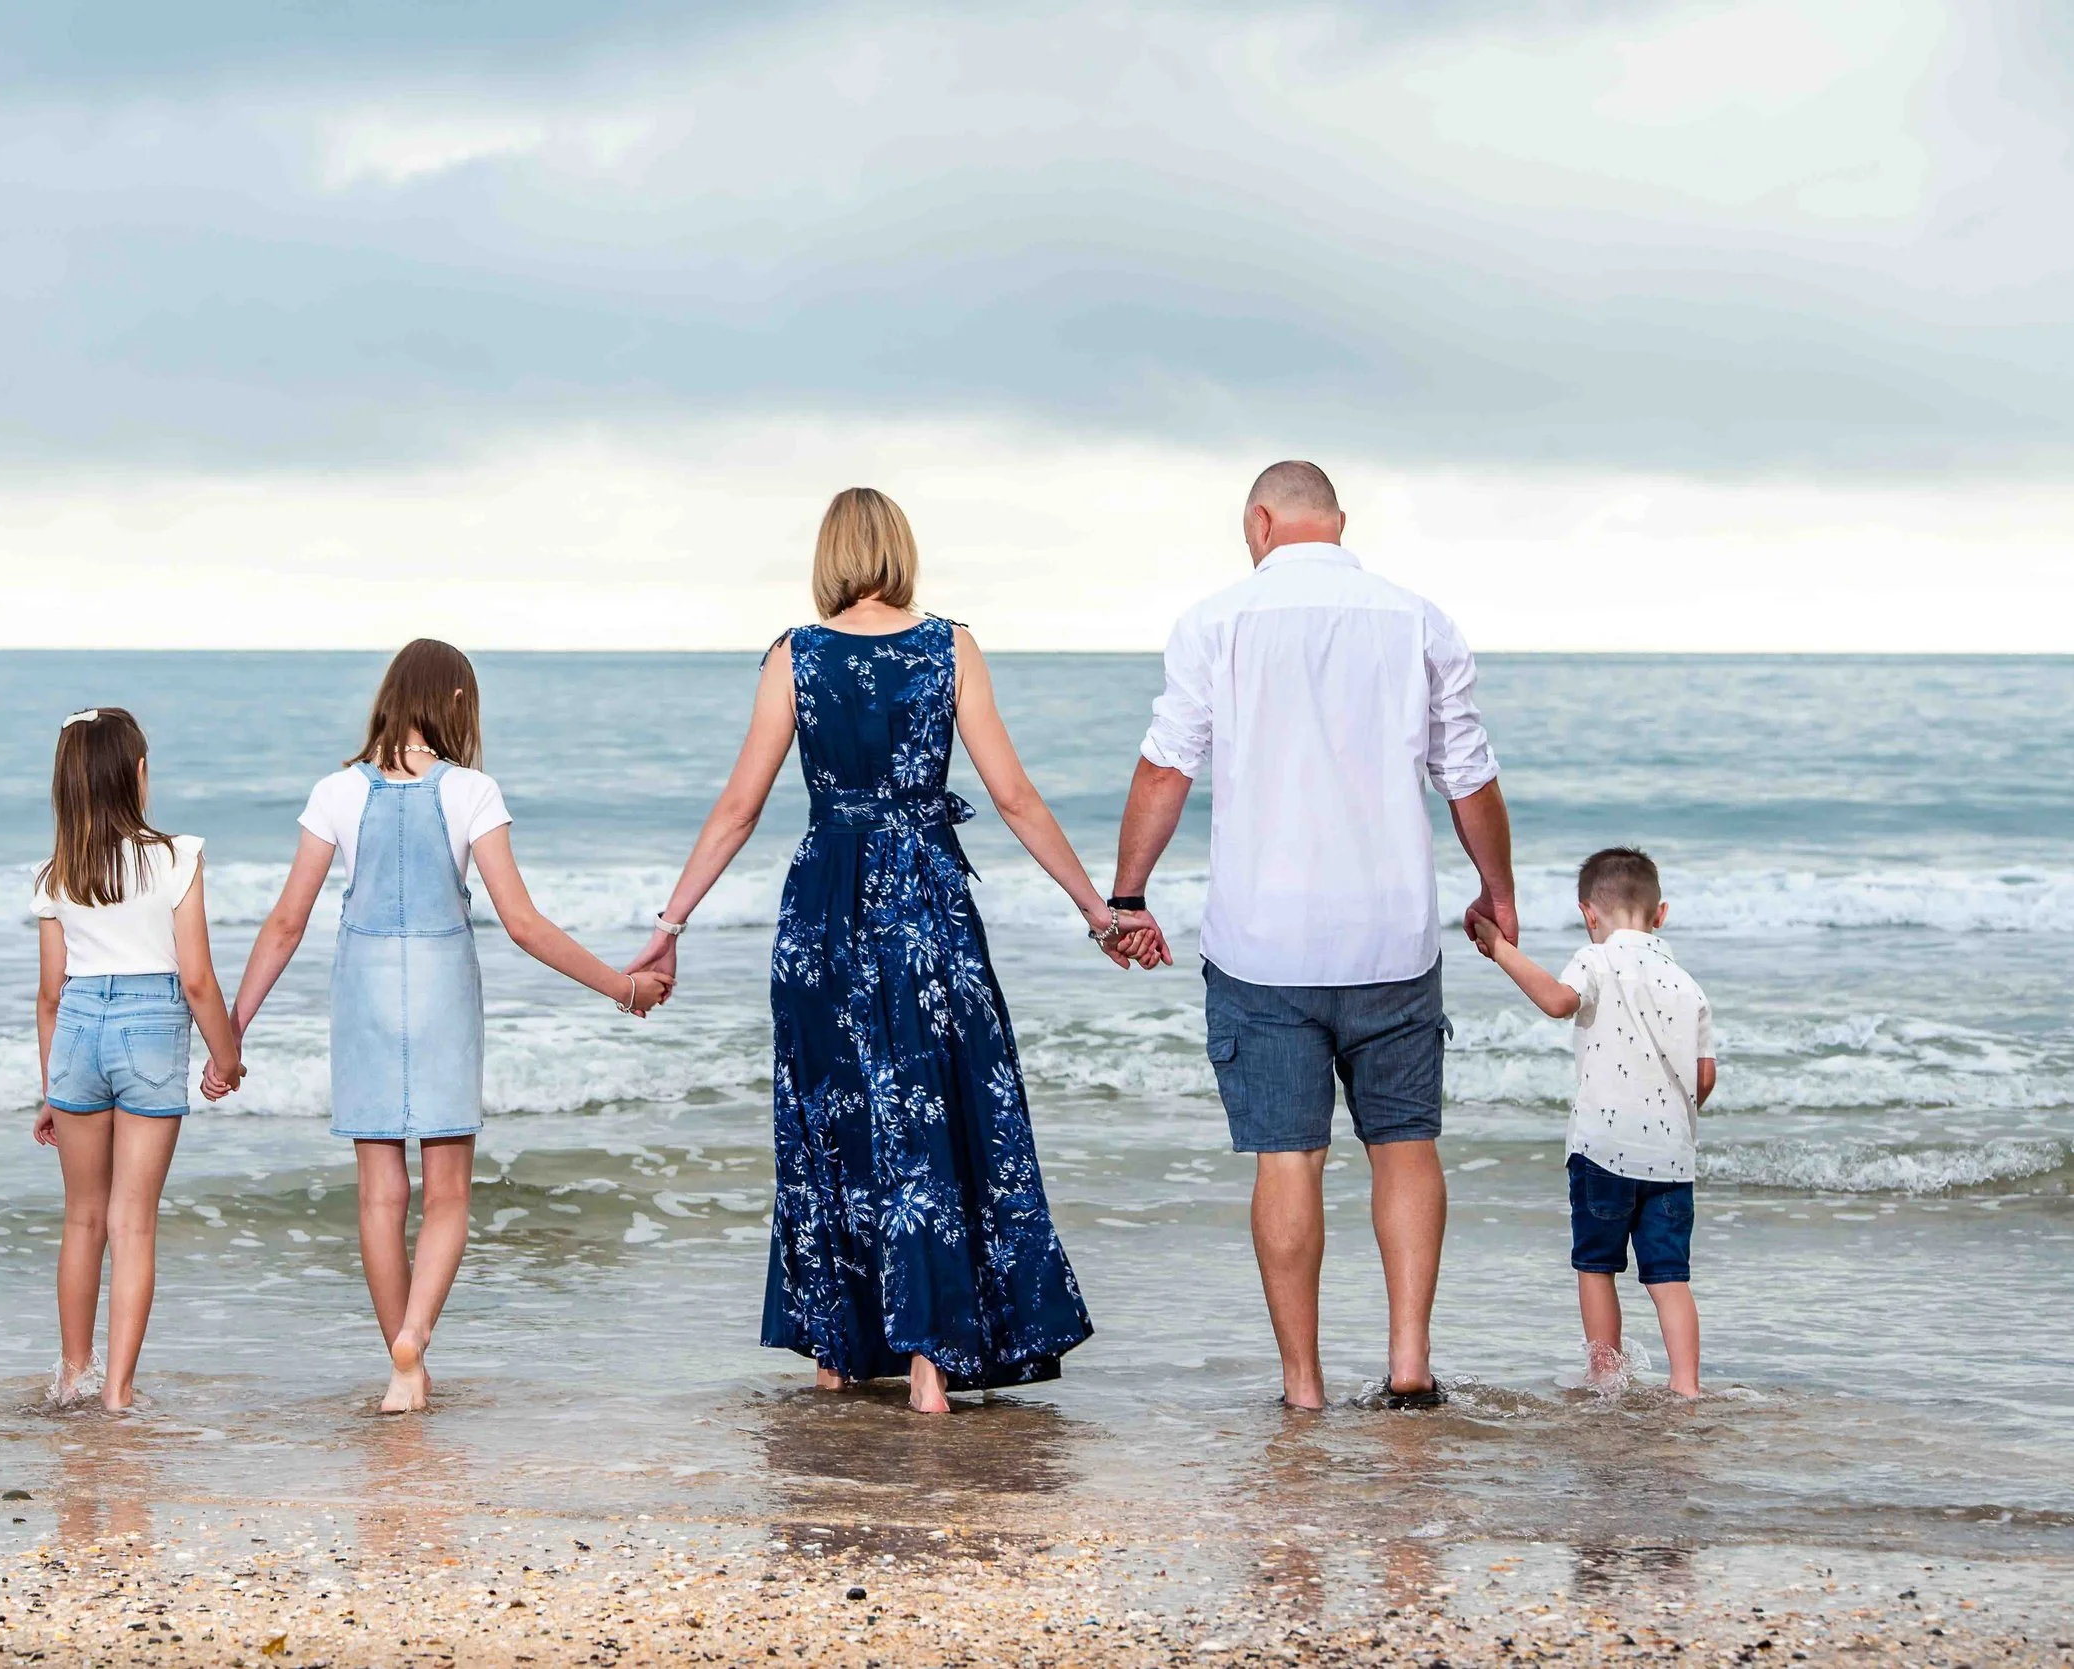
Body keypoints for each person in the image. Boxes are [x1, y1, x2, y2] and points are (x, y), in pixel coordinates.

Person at [627, 487, 1132, 1415]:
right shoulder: (950, 647)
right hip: (925, 902)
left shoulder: (795, 656)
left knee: (831, 1123)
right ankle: (932, 1369)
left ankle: (838, 1359)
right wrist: (1097, 910)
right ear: (900, 549)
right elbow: (1013, 797)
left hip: (824, 908)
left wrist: (669, 927)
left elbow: (739, 808)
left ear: (827, 555)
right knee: (933, 1116)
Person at [1107, 460, 1513, 1411]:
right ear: (1338, 522)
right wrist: (1496, 890)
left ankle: (1303, 1388)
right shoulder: (1418, 618)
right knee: (1405, 1144)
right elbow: (1470, 777)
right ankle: (1409, 1366)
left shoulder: (1215, 623)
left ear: (1260, 521)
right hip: (1391, 939)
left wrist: (1128, 897)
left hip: (1264, 942)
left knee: (1288, 1157)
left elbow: (1166, 771)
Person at [217, 640, 672, 1413]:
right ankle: (416, 1336)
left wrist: (231, 1031)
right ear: (457, 702)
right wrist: (622, 987)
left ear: (391, 697)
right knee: (449, 1191)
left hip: (362, 988)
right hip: (441, 987)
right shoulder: (471, 791)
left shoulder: (334, 791)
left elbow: (287, 921)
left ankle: (400, 1358)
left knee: (378, 1193)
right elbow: (522, 922)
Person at [31, 707, 243, 1412]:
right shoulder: (178, 855)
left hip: (79, 1032)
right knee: (133, 1222)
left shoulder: (56, 872)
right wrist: (227, 1055)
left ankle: (71, 1376)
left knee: (82, 1218)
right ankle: (117, 1393)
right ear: (138, 774)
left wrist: (50, 1087)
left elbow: (49, 994)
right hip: (150, 1026)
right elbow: (197, 979)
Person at [1470, 848, 1713, 1398]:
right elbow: (1704, 1079)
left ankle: (1607, 1379)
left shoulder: (1595, 959)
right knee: (1670, 1278)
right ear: (1661, 914)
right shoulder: (1688, 985)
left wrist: (1502, 950)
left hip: (1603, 1150)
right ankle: (1687, 1387)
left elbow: (1558, 1002)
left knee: (1597, 1266)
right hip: (1671, 1160)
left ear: (1589, 914)